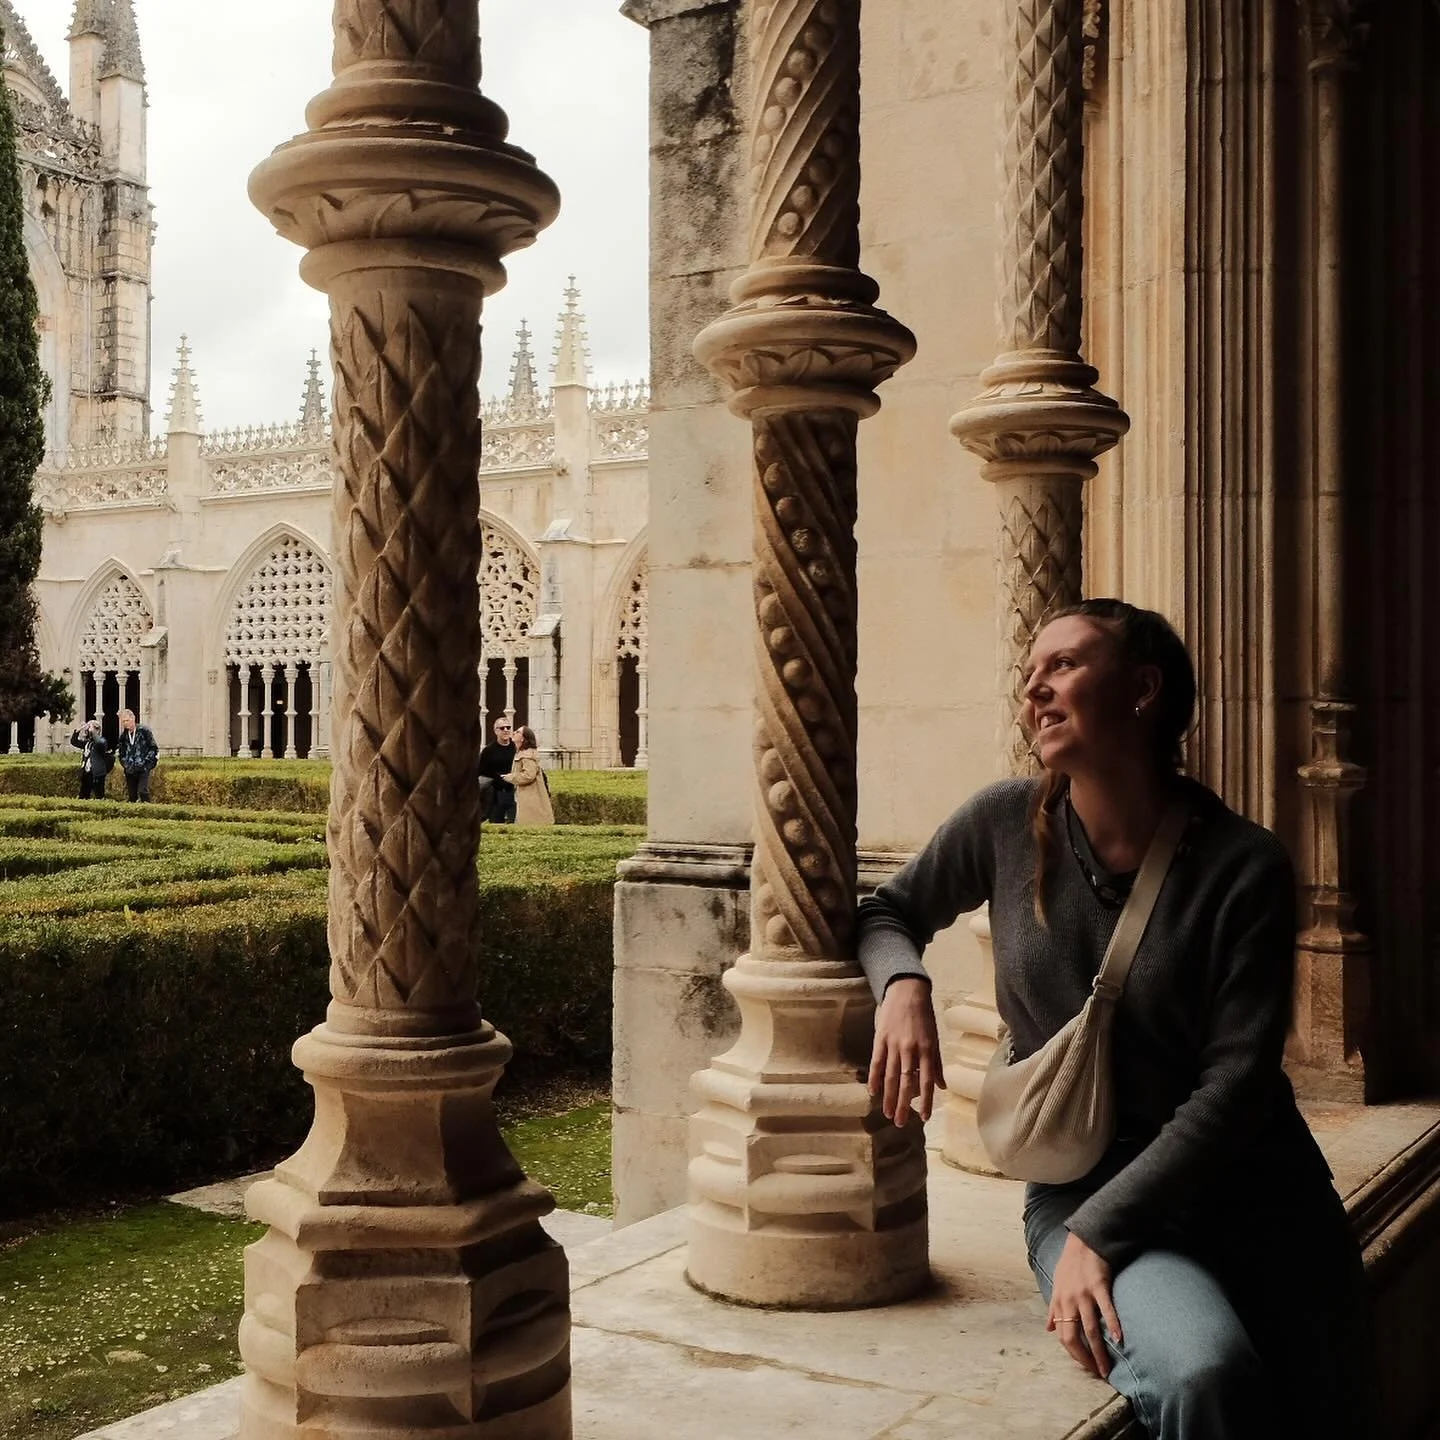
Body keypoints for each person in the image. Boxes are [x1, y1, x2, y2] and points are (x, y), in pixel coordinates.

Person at [857, 600, 1372, 1440]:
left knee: (1333, 1412)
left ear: (1141, 690)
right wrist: (903, 985)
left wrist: (1100, 1234)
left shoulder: (1244, 865)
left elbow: (1237, 1084)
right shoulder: (1003, 822)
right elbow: (887, 911)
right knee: (1206, 1375)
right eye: (1030, 675)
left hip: (1259, 1193)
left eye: (1063, 665)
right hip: (1082, 1185)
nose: (1035, 690)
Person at [505, 725, 554, 826]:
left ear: (523, 738)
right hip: (524, 795)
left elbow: (528, 775)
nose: (514, 732)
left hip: (530, 797)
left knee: (528, 824)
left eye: (518, 732)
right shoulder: (522, 753)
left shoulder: (527, 755)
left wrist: (510, 777)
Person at [477, 715, 518, 824]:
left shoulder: (516, 748)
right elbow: (481, 771)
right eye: (502, 728)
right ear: (496, 731)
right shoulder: (488, 750)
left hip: (514, 793)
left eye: (508, 727)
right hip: (495, 794)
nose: (506, 730)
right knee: (496, 824)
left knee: (514, 825)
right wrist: (499, 778)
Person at [116, 708, 159, 802]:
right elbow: (121, 753)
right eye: (123, 722)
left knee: (143, 791)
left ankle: (147, 811)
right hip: (130, 769)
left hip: (143, 767)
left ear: (133, 718)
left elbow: (153, 748)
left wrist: (146, 763)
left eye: (127, 720)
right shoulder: (123, 736)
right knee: (132, 795)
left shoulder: (144, 731)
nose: (125, 723)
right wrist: (125, 764)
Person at [70, 718, 113, 799]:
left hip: (97, 773)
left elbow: (100, 743)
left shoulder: (102, 741)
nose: (88, 731)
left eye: (90, 729)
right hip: (86, 773)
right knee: (83, 796)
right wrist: (78, 730)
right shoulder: (87, 743)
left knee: (99, 796)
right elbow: (74, 742)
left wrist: (93, 730)